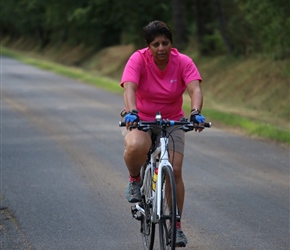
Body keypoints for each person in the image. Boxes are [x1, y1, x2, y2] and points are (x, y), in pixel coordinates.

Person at [120, 20, 205, 247]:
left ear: (171, 44)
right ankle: (135, 180)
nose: (161, 48)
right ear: (148, 46)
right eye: (155, 44)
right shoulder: (138, 59)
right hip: (142, 117)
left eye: (165, 43)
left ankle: (176, 227)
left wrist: (195, 112)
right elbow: (130, 87)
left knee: (175, 170)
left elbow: (195, 88)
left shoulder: (183, 62)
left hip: (173, 120)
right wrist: (131, 112)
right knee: (136, 145)